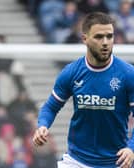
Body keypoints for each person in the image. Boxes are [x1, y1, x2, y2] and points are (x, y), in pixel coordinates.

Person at [32, 12, 134, 168]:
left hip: (116, 162)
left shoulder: (127, 74)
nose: (105, 42)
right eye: (99, 37)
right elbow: (51, 106)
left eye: (110, 36)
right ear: (85, 39)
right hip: (76, 161)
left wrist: (131, 148)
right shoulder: (71, 72)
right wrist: (42, 125)